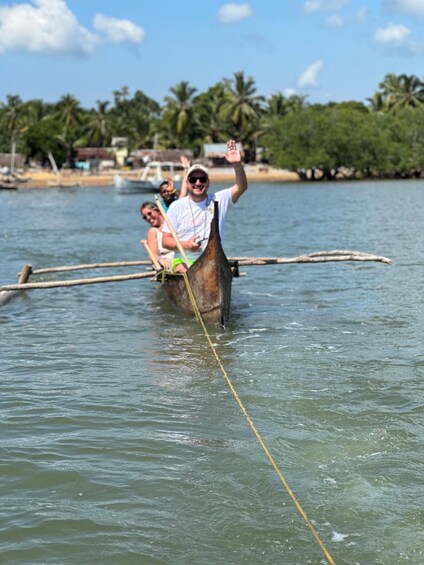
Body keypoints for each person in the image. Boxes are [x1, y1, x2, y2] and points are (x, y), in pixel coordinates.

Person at [162, 139, 247, 272]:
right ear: (187, 182)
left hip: (213, 260)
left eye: (202, 179)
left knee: (215, 270)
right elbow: (165, 241)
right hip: (184, 259)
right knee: (185, 269)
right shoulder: (176, 206)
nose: (197, 183)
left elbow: (241, 187)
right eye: (193, 179)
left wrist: (237, 164)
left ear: (208, 182)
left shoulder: (219, 199)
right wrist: (186, 245)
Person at [140, 201, 174, 269]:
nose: (148, 218)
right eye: (145, 217)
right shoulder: (153, 231)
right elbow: (153, 255)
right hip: (169, 263)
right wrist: (161, 260)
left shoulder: (172, 222)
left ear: (157, 210)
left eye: (149, 213)